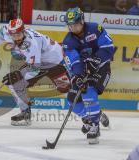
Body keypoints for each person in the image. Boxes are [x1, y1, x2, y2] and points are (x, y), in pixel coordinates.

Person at [0, 18, 71, 126]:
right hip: (38, 61)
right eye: (13, 36)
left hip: (55, 62)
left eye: (19, 35)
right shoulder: (8, 30)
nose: (16, 38)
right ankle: (25, 112)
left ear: (24, 31)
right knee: (14, 83)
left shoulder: (31, 44)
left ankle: (90, 112)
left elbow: (35, 69)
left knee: (67, 88)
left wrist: (18, 75)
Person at [63, 7, 114, 144]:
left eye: (75, 24)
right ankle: (91, 117)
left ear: (82, 21)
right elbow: (73, 61)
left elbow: (108, 47)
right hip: (85, 70)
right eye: (70, 25)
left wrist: (96, 60)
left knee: (89, 89)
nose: (73, 27)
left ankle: (94, 126)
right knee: (71, 99)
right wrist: (78, 76)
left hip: (102, 68)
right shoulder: (68, 41)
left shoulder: (95, 29)